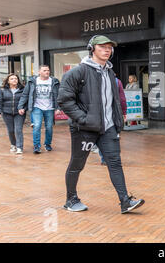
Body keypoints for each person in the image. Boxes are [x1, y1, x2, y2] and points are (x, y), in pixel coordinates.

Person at [57, 35, 144, 214]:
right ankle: (71, 199)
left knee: (115, 162)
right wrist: (84, 119)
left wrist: (118, 118)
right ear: (92, 49)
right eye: (102, 47)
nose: (107, 50)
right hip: (85, 129)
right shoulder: (77, 72)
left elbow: (113, 100)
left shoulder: (110, 72)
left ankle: (125, 201)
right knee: (77, 164)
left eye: (109, 47)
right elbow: (64, 100)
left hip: (108, 127)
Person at [18, 65, 60, 154]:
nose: (47, 72)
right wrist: (21, 106)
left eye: (48, 70)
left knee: (49, 127)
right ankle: (37, 146)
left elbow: (59, 95)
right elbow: (25, 94)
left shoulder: (54, 81)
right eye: (44, 70)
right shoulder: (32, 81)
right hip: (37, 107)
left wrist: (58, 107)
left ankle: (47, 144)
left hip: (50, 107)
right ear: (39, 72)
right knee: (37, 126)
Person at [0, 74, 26, 154]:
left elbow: (26, 101)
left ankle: (19, 147)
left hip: (19, 113)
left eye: (16, 78)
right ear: (8, 81)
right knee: (11, 130)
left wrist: (23, 109)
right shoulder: (2, 90)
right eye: (12, 79)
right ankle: (13, 144)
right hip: (7, 113)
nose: (14, 80)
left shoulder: (23, 89)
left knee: (18, 130)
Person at [100, 76, 127, 165]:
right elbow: (122, 99)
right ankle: (113, 158)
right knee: (114, 136)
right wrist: (124, 113)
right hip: (114, 113)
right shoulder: (117, 81)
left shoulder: (95, 79)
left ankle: (104, 158)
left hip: (98, 113)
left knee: (101, 136)